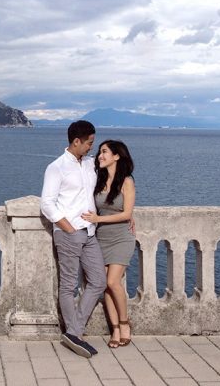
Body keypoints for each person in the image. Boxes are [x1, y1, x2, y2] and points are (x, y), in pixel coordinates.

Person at [40, 120, 106, 358]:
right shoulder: (56, 167)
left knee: (99, 280)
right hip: (69, 233)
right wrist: (67, 227)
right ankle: (74, 334)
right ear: (76, 141)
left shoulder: (90, 164)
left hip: (89, 232)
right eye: (89, 143)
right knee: (69, 285)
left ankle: (73, 332)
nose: (91, 147)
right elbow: (46, 203)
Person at [81, 139, 136, 348]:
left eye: (104, 152)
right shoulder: (98, 179)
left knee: (113, 282)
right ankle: (114, 328)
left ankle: (124, 323)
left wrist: (98, 219)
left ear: (117, 156)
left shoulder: (127, 182)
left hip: (122, 237)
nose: (100, 156)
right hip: (101, 237)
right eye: (99, 152)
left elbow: (127, 213)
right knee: (104, 284)